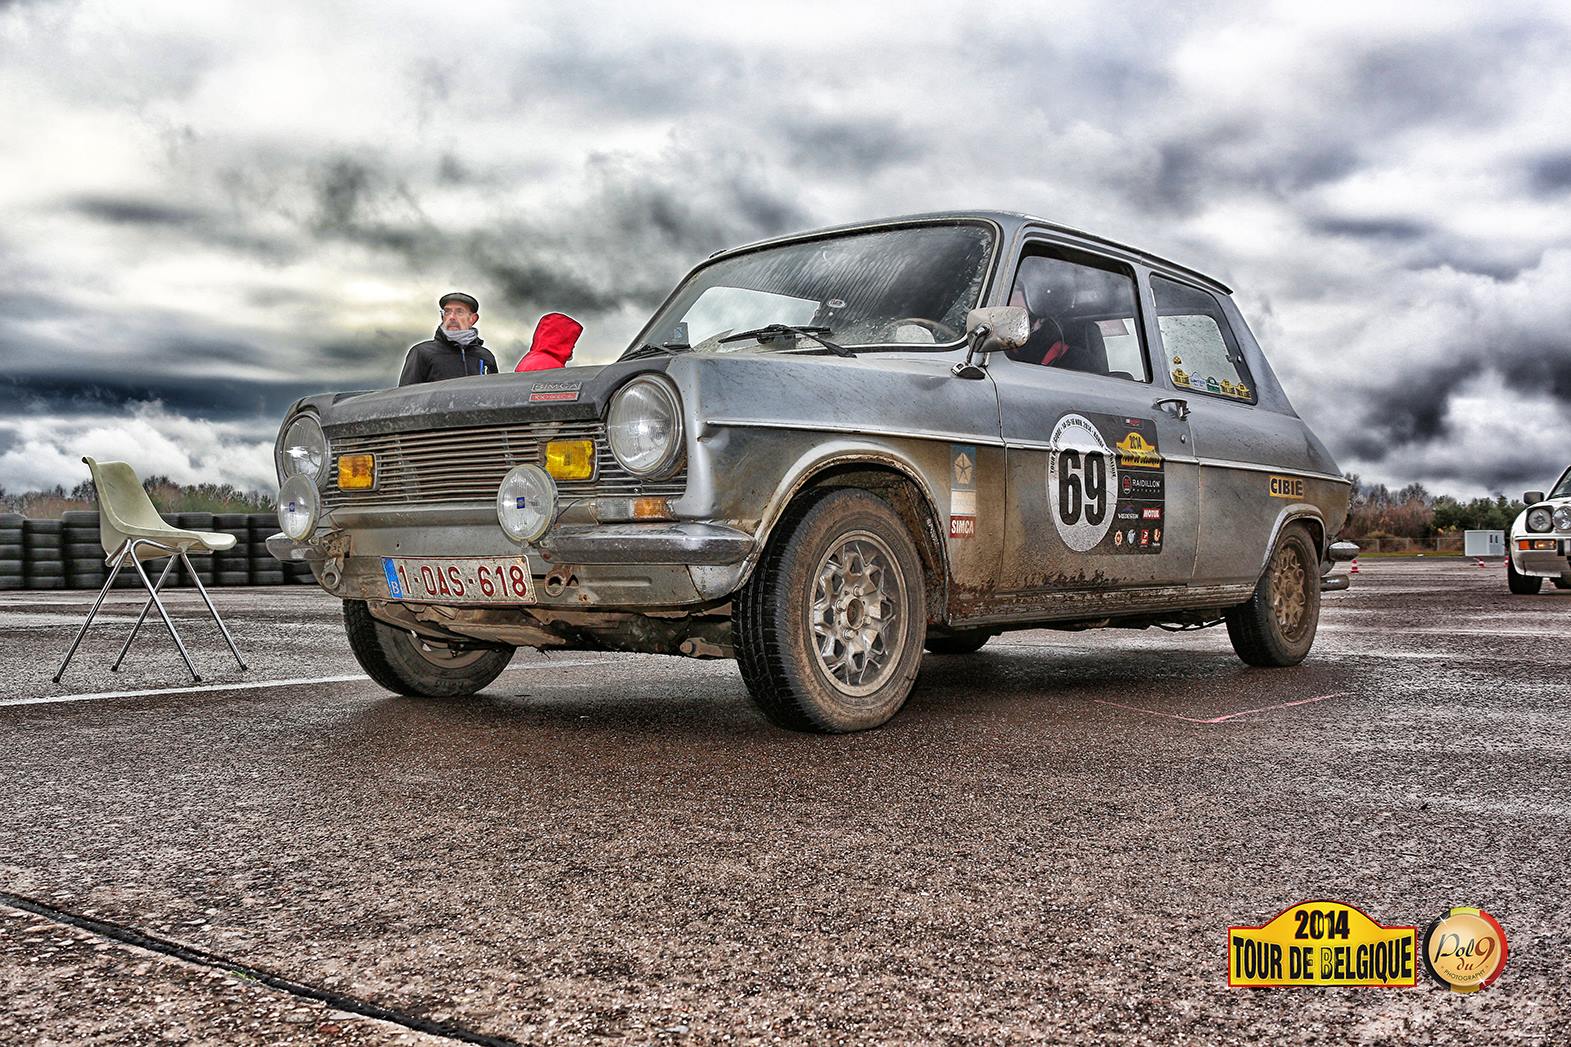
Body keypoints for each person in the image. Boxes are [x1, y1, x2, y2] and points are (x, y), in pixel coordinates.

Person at [398, 292, 500, 386]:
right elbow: (405, 397)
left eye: (459, 312)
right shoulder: (422, 353)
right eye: (447, 312)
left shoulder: (486, 357)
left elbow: (495, 396)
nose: (452, 317)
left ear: (472, 319)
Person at [514, 312, 583, 372]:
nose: (573, 346)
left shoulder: (530, 359)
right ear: (559, 341)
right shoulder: (551, 366)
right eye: (569, 341)